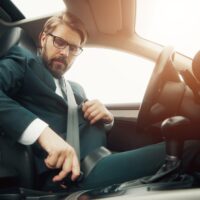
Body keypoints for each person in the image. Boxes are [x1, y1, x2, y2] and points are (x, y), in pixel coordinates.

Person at [0, 11, 199, 192]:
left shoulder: (75, 89)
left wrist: (107, 119)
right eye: (59, 42)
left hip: (103, 158)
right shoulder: (24, 62)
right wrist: (44, 134)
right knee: (191, 150)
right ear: (43, 38)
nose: (65, 53)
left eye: (73, 48)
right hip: (72, 174)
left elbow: (86, 129)